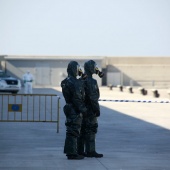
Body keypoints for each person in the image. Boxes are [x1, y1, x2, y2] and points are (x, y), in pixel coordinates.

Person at [61, 61, 87, 160]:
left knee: (70, 130)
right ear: (74, 69)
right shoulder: (73, 82)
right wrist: (83, 109)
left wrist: (80, 80)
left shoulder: (65, 81)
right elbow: (76, 98)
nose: (78, 71)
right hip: (74, 109)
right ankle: (72, 153)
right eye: (77, 69)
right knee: (73, 131)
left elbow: (73, 88)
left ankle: (70, 151)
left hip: (68, 107)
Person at [78, 60, 104, 158]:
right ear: (90, 68)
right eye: (94, 67)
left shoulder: (81, 80)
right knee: (91, 130)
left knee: (82, 130)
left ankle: (80, 150)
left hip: (82, 109)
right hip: (90, 110)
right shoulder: (92, 81)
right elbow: (93, 97)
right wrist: (96, 109)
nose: (95, 69)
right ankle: (90, 151)